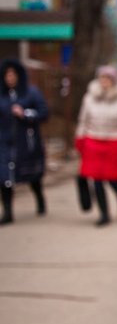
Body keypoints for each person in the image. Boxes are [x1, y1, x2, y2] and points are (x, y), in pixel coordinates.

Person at [75, 65, 117, 227]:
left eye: (108, 78)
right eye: (102, 78)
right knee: (96, 179)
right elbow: (83, 120)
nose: (104, 81)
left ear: (113, 81)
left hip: (113, 143)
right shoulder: (89, 97)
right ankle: (104, 214)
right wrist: (80, 138)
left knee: (113, 179)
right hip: (93, 140)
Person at [0, 59, 50, 225]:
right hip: (5, 143)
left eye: (13, 74)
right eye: (7, 74)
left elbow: (43, 113)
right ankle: (7, 212)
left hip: (26, 143)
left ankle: (40, 199)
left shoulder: (31, 92)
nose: (10, 77)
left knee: (32, 175)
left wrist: (26, 114)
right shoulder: (2, 95)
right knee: (5, 177)